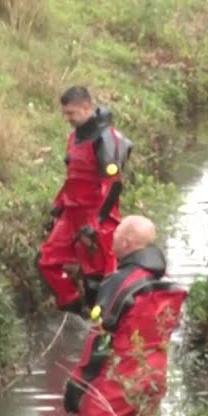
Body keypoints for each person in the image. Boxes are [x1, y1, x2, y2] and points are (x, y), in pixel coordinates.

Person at [62, 215, 186, 416]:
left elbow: (100, 339)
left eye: (116, 235)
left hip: (120, 377)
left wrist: (78, 382)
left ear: (127, 243)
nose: (112, 238)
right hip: (155, 376)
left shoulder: (120, 281)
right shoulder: (168, 285)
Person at [38, 86, 132, 315]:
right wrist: (59, 206)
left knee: (98, 278)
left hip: (96, 214)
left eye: (71, 113)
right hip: (72, 212)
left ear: (86, 107)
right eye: (66, 114)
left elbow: (113, 184)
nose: (67, 118)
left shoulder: (105, 139)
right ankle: (73, 305)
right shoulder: (75, 137)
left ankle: (102, 327)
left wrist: (97, 222)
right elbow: (74, 177)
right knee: (47, 261)